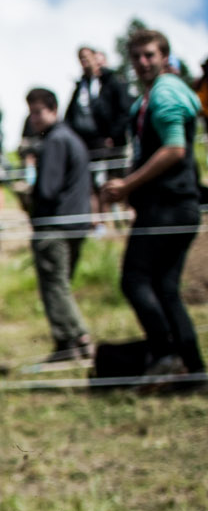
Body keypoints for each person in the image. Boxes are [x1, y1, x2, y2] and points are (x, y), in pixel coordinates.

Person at [100, 27, 203, 383]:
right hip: (176, 204)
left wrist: (128, 184)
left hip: (169, 205)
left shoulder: (165, 94)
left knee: (134, 279)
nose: (143, 62)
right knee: (165, 288)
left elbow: (174, 149)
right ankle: (193, 369)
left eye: (150, 55)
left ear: (165, 57)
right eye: (137, 57)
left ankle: (165, 355)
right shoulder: (155, 96)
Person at [22, 88, 94, 363]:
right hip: (76, 222)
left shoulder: (54, 141)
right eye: (31, 112)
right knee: (61, 283)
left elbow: (49, 189)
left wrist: (29, 196)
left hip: (56, 225)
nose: (35, 118)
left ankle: (78, 338)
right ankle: (67, 343)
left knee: (55, 285)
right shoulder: (71, 137)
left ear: (53, 109)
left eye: (38, 111)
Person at [66, 46, 131, 209]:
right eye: (81, 58)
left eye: (87, 57)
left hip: (111, 142)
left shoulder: (112, 82)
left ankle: (126, 214)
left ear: (96, 58)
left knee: (116, 178)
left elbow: (124, 111)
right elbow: (71, 115)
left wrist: (114, 136)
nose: (84, 61)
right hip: (88, 143)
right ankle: (99, 220)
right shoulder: (80, 87)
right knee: (93, 181)